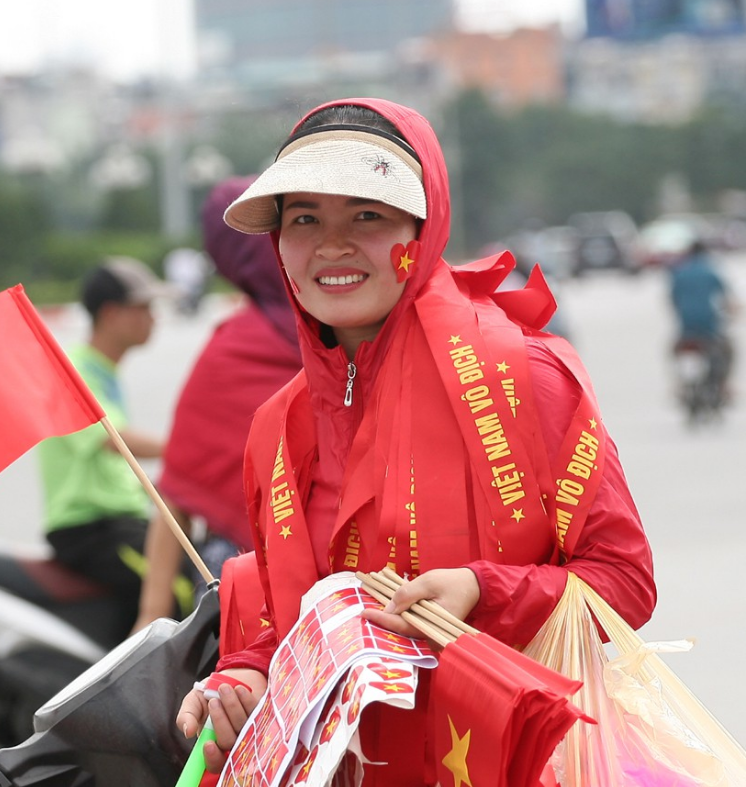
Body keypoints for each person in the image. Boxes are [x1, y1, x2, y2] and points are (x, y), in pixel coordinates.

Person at [176, 98, 656, 786]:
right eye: (304, 218)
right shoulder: (276, 429)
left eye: (367, 215)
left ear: (422, 231)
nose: (332, 245)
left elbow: (625, 584)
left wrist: (479, 591)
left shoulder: (525, 379)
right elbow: (291, 621)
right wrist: (244, 677)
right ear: (277, 243)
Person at [135, 176, 303, 630]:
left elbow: (178, 490)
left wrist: (150, 616)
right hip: (367, 582)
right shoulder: (356, 320)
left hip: (246, 590)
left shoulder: (234, 347)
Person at [37, 257, 166, 625]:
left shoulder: (101, 370)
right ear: (111, 313)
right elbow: (112, 440)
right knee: (175, 588)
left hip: (118, 523)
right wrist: (186, 450)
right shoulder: (73, 370)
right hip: (92, 529)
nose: (153, 319)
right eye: (144, 308)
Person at [669, 238, 736, 401]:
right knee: (728, 350)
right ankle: (723, 385)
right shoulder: (710, 271)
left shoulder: (679, 272)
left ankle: (681, 385)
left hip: (687, 326)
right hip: (709, 325)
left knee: (674, 350)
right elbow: (726, 298)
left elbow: (673, 299)